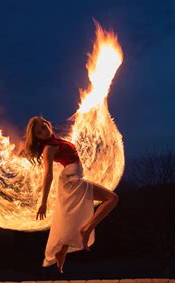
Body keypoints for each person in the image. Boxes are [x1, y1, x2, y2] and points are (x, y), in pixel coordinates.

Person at [24, 115, 119, 273]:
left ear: (48, 123)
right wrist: (43, 202)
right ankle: (87, 229)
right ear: (38, 138)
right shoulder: (49, 148)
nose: (43, 131)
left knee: (72, 219)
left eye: (43, 127)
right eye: (39, 133)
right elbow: (48, 175)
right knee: (112, 198)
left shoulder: (57, 141)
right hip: (71, 181)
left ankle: (61, 257)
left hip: (72, 179)